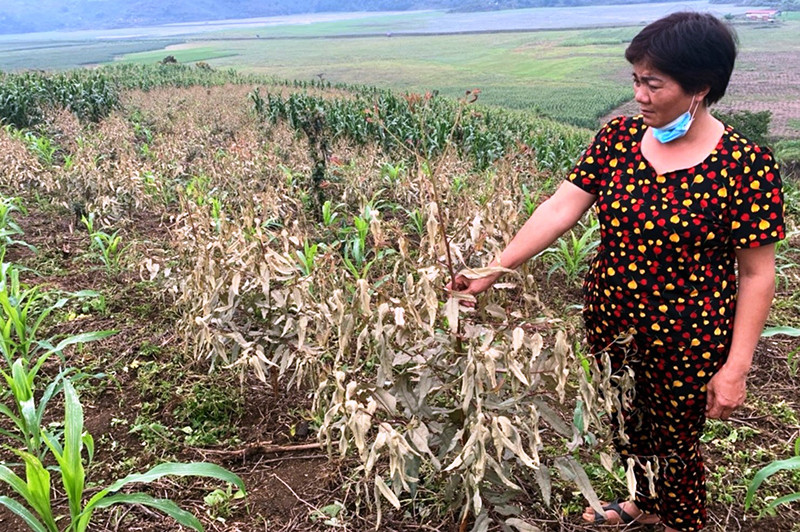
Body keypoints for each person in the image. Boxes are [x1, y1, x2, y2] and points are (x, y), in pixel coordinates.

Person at [449, 11, 784, 532]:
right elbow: (561, 208)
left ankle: (681, 519)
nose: (640, 95)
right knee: (625, 418)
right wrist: (493, 269)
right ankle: (644, 500)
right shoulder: (619, 139)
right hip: (612, 318)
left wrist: (736, 366)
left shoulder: (745, 166)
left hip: (689, 333)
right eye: (635, 80)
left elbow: (757, 274)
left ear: (700, 86)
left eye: (653, 83)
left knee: (675, 437)